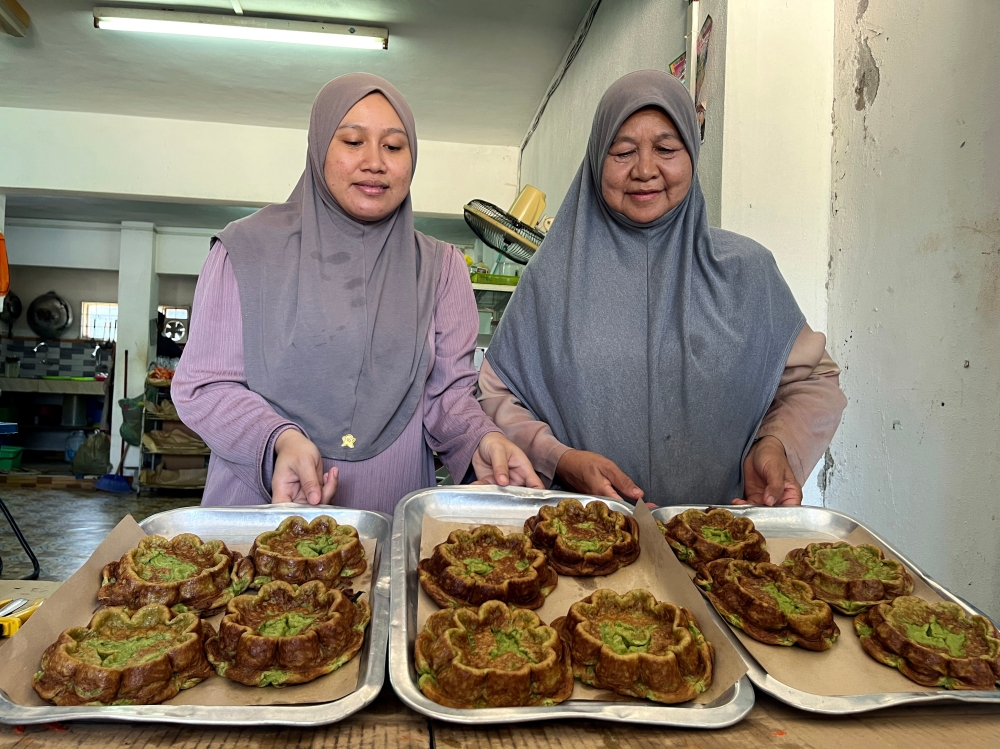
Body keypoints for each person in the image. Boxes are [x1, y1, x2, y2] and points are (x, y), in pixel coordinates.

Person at [173, 73, 541, 512]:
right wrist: (278, 441)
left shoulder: (441, 269)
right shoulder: (246, 251)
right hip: (262, 512)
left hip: (388, 515)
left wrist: (483, 439)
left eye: (393, 146)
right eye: (352, 142)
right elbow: (205, 386)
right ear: (319, 149)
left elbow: (448, 397)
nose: (375, 162)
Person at [479, 70, 846, 507]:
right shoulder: (550, 279)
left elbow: (812, 381)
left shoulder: (747, 272)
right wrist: (559, 459)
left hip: (718, 543)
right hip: (584, 540)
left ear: (691, 152)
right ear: (597, 160)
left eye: (667, 149)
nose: (645, 170)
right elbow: (497, 393)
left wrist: (776, 445)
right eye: (623, 151)